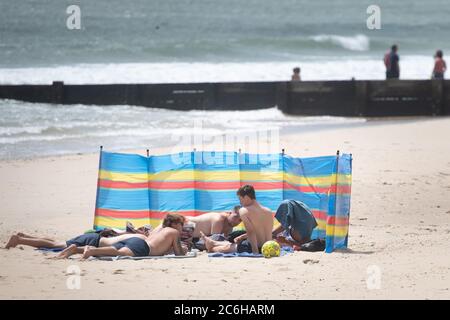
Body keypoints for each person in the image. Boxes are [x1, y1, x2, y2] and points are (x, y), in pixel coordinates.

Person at [200, 185, 273, 254]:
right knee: (234, 243)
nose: (240, 203)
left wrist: (255, 252)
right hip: (269, 247)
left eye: (240, 199)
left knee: (222, 249)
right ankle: (213, 242)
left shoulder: (244, 211)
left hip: (253, 248)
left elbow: (251, 232)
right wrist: (242, 237)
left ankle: (211, 246)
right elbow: (260, 231)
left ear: (246, 197)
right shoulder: (268, 211)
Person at [81, 213, 187, 259]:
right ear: (176, 224)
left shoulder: (160, 231)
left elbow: (159, 248)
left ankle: (76, 249)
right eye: (181, 225)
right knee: (119, 252)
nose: (182, 228)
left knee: (111, 250)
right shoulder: (174, 232)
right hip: (143, 247)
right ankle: (92, 250)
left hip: (136, 241)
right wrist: (184, 250)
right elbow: (179, 254)